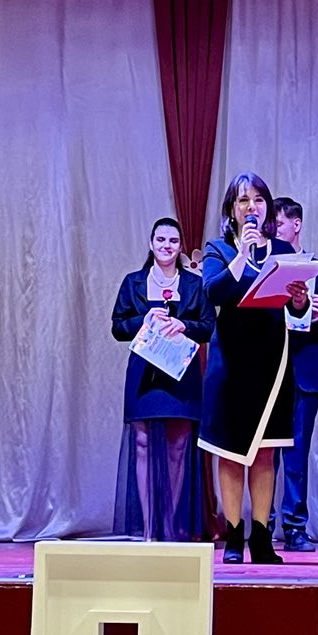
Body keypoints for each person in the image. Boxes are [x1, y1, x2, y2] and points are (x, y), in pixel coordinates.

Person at [200, 173, 318, 564]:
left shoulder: (283, 249)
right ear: (231, 209)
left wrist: (299, 301)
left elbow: (296, 309)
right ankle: (234, 536)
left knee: (266, 453)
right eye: (242, 200)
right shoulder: (218, 248)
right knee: (231, 452)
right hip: (231, 363)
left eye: (258, 200)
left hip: (273, 360)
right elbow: (214, 292)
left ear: (267, 206)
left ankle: (262, 536)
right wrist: (241, 254)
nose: (251, 207)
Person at [110, 218, 214, 542]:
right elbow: (117, 326)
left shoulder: (194, 284)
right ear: (151, 243)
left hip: (181, 373)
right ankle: (148, 528)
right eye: (161, 240)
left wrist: (184, 326)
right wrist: (143, 320)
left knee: (178, 446)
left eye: (173, 241)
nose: (166, 246)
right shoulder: (134, 282)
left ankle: (168, 525)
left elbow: (209, 326)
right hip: (144, 373)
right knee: (142, 444)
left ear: (180, 247)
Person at [271, 197, 318, 552]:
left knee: (297, 455)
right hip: (268, 371)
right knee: (265, 456)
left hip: (304, 373)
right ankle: (262, 525)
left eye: (279, 224)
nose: (273, 230)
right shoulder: (264, 269)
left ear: (296, 224)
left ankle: (295, 526)